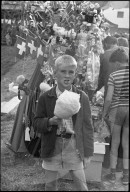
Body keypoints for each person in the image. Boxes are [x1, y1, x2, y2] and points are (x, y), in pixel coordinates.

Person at [33, 55, 94, 191]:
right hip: (52, 146)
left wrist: (88, 153)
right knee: (50, 185)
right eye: (63, 71)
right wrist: (50, 121)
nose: (67, 76)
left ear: (75, 74)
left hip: (74, 147)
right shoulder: (46, 97)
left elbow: (87, 126)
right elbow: (36, 122)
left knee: (81, 185)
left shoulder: (81, 96)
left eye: (71, 72)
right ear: (55, 73)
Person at [102, 48, 129, 185]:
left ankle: (112, 174)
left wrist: (104, 113)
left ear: (118, 63)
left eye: (113, 63)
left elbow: (108, 98)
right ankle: (125, 176)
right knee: (126, 143)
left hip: (117, 110)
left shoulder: (114, 75)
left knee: (115, 143)